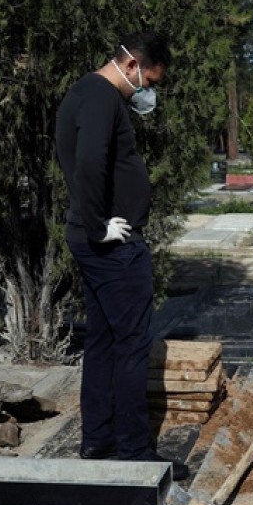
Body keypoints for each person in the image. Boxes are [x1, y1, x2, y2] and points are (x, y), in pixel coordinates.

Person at [55, 32, 188, 481]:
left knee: (103, 339)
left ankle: (98, 439)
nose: (147, 91)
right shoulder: (101, 97)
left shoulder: (87, 93)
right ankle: (133, 449)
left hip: (99, 239)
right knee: (132, 342)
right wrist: (99, 226)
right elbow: (89, 162)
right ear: (131, 66)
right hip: (111, 246)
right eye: (148, 81)